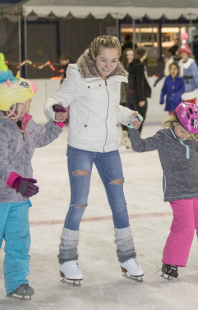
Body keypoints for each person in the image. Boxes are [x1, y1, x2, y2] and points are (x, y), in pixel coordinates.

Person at [44, 35, 144, 284]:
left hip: (109, 149)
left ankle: (127, 256)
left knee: (119, 204)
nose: (108, 65)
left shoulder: (116, 77)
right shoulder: (78, 74)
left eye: (113, 60)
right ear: (92, 55)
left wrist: (129, 115)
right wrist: (55, 110)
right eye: (102, 60)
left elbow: (112, 109)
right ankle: (67, 259)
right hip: (81, 148)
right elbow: (54, 100)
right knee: (79, 202)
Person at [128, 102, 198, 280]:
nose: (187, 136)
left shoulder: (192, 137)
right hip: (178, 191)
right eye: (183, 132)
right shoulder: (163, 137)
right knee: (184, 225)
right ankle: (170, 262)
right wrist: (133, 128)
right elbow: (140, 146)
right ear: (175, 122)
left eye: (191, 134)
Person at [0, 70, 66, 299]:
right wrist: (16, 181)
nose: (28, 107)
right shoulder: (1, 128)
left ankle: (17, 283)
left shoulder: (26, 125)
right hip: (1, 199)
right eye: (24, 103)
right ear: (10, 104)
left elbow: (44, 136)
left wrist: (57, 122)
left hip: (19, 200)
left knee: (19, 243)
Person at [126, 46, 151, 134]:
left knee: (133, 119)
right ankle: (135, 139)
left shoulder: (130, 65)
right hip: (137, 96)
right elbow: (140, 83)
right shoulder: (140, 66)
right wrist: (142, 98)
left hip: (129, 96)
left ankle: (131, 138)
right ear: (144, 55)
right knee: (139, 118)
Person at [119, 48, 134, 145]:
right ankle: (124, 133)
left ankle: (130, 136)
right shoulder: (120, 67)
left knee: (130, 115)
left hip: (132, 95)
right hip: (122, 95)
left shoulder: (136, 67)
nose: (129, 57)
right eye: (127, 55)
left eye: (131, 55)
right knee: (122, 115)